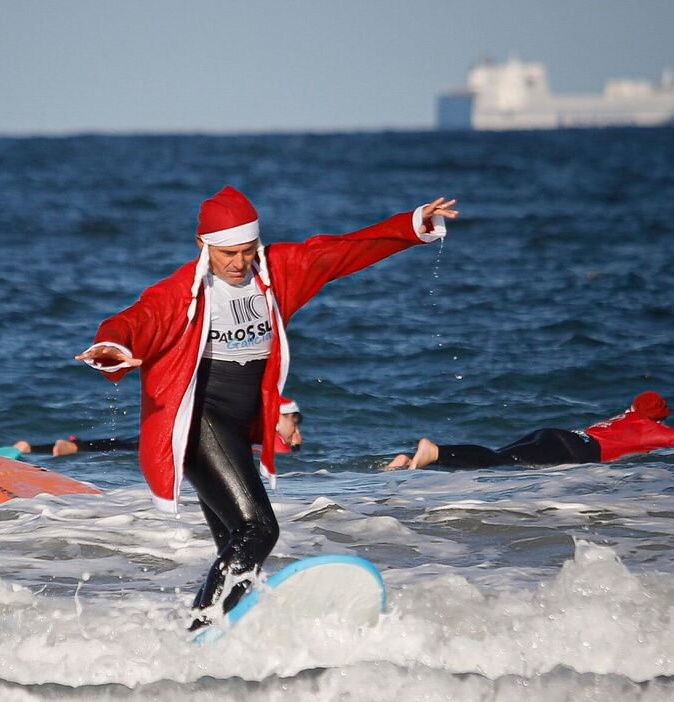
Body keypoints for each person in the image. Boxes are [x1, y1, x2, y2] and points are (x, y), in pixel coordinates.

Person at [75, 186, 457, 628]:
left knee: (239, 549)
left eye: (248, 250)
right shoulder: (183, 292)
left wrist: (410, 225)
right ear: (204, 246)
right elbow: (134, 321)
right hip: (200, 423)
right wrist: (109, 347)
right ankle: (200, 632)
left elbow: (340, 252)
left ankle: (220, 638)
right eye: (229, 253)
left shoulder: (276, 271)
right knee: (259, 531)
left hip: (237, 427)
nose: (240, 263)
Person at [385, 391, 674, 471]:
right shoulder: (651, 429)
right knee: (497, 462)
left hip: (556, 434)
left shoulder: (625, 417)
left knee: (497, 456)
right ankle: (435, 452)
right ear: (660, 419)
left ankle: (416, 461)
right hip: (573, 451)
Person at [13, 396, 305, 457]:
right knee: (124, 446)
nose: (297, 426)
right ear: (280, 417)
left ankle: (34, 448)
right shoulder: (270, 436)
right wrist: (295, 445)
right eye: (295, 420)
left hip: (174, 433)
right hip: (175, 442)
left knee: (122, 443)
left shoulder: (253, 426)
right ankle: (67, 447)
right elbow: (276, 454)